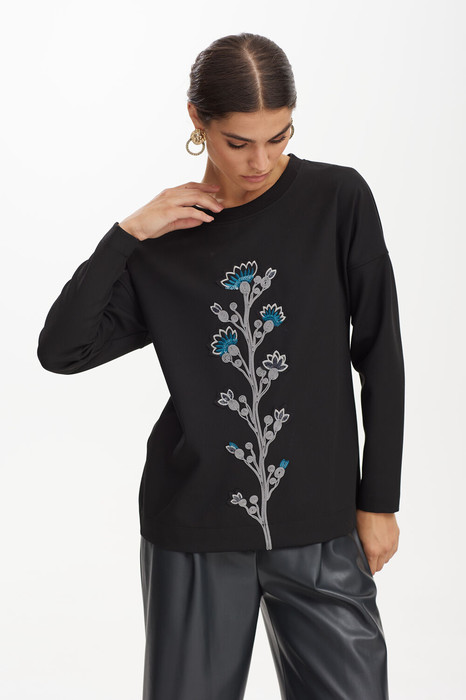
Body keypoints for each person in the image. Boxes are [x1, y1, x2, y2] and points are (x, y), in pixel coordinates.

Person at [37, 32, 405, 700]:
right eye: (238, 142)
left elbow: (380, 350)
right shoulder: (163, 243)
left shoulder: (338, 200)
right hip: (194, 528)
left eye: (279, 137)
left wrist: (378, 501)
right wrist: (126, 235)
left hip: (322, 528)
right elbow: (62, 351)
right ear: (197, 121)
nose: (261, 161)